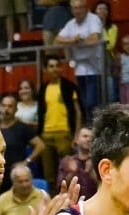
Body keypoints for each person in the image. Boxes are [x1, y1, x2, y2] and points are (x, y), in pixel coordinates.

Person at [37, 56, 82, 193]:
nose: (54, 68)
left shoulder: (69, 86)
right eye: (51, 66)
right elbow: (41, 113)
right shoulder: (43, 89)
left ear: (61, 68)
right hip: (46, 135)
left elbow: (78, 111)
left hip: (65, 134)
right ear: (46, 69)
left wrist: (76, 135)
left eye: (57, 65)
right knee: (49, 175)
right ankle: (52, 201)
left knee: (67, 172)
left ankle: (68, 200)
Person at [54, 0, 104, 122]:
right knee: (82, 102)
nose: (77, 11)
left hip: (95, 68)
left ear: (85, 7)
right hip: (79, 69)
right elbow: (57, 41)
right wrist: (72, 41)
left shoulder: (93, 19)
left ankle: (95, 129)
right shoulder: (71, 24)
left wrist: (78, 41)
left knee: (92, 102)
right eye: (74, 8)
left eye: (80, 7)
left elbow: (94, 38)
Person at [56, 127, 97, 199]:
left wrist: (91, 172)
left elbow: (105, 187)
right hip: (73, 204)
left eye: (91, 137)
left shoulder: (99, 161)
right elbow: (60, 188)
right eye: (85, 136)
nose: (88, 139)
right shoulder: (67, 161)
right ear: (76, 140)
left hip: (94, 204)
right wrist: (72, 173)